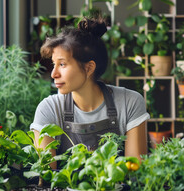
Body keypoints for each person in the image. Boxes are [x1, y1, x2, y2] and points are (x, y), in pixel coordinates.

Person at [30, 17, 149, 167]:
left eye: (62, 64)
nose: (54, 74)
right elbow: (45, 180)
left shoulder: (129, 102)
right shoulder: (49, 109)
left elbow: (136, 174)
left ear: (89, 68)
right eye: (54, 64)